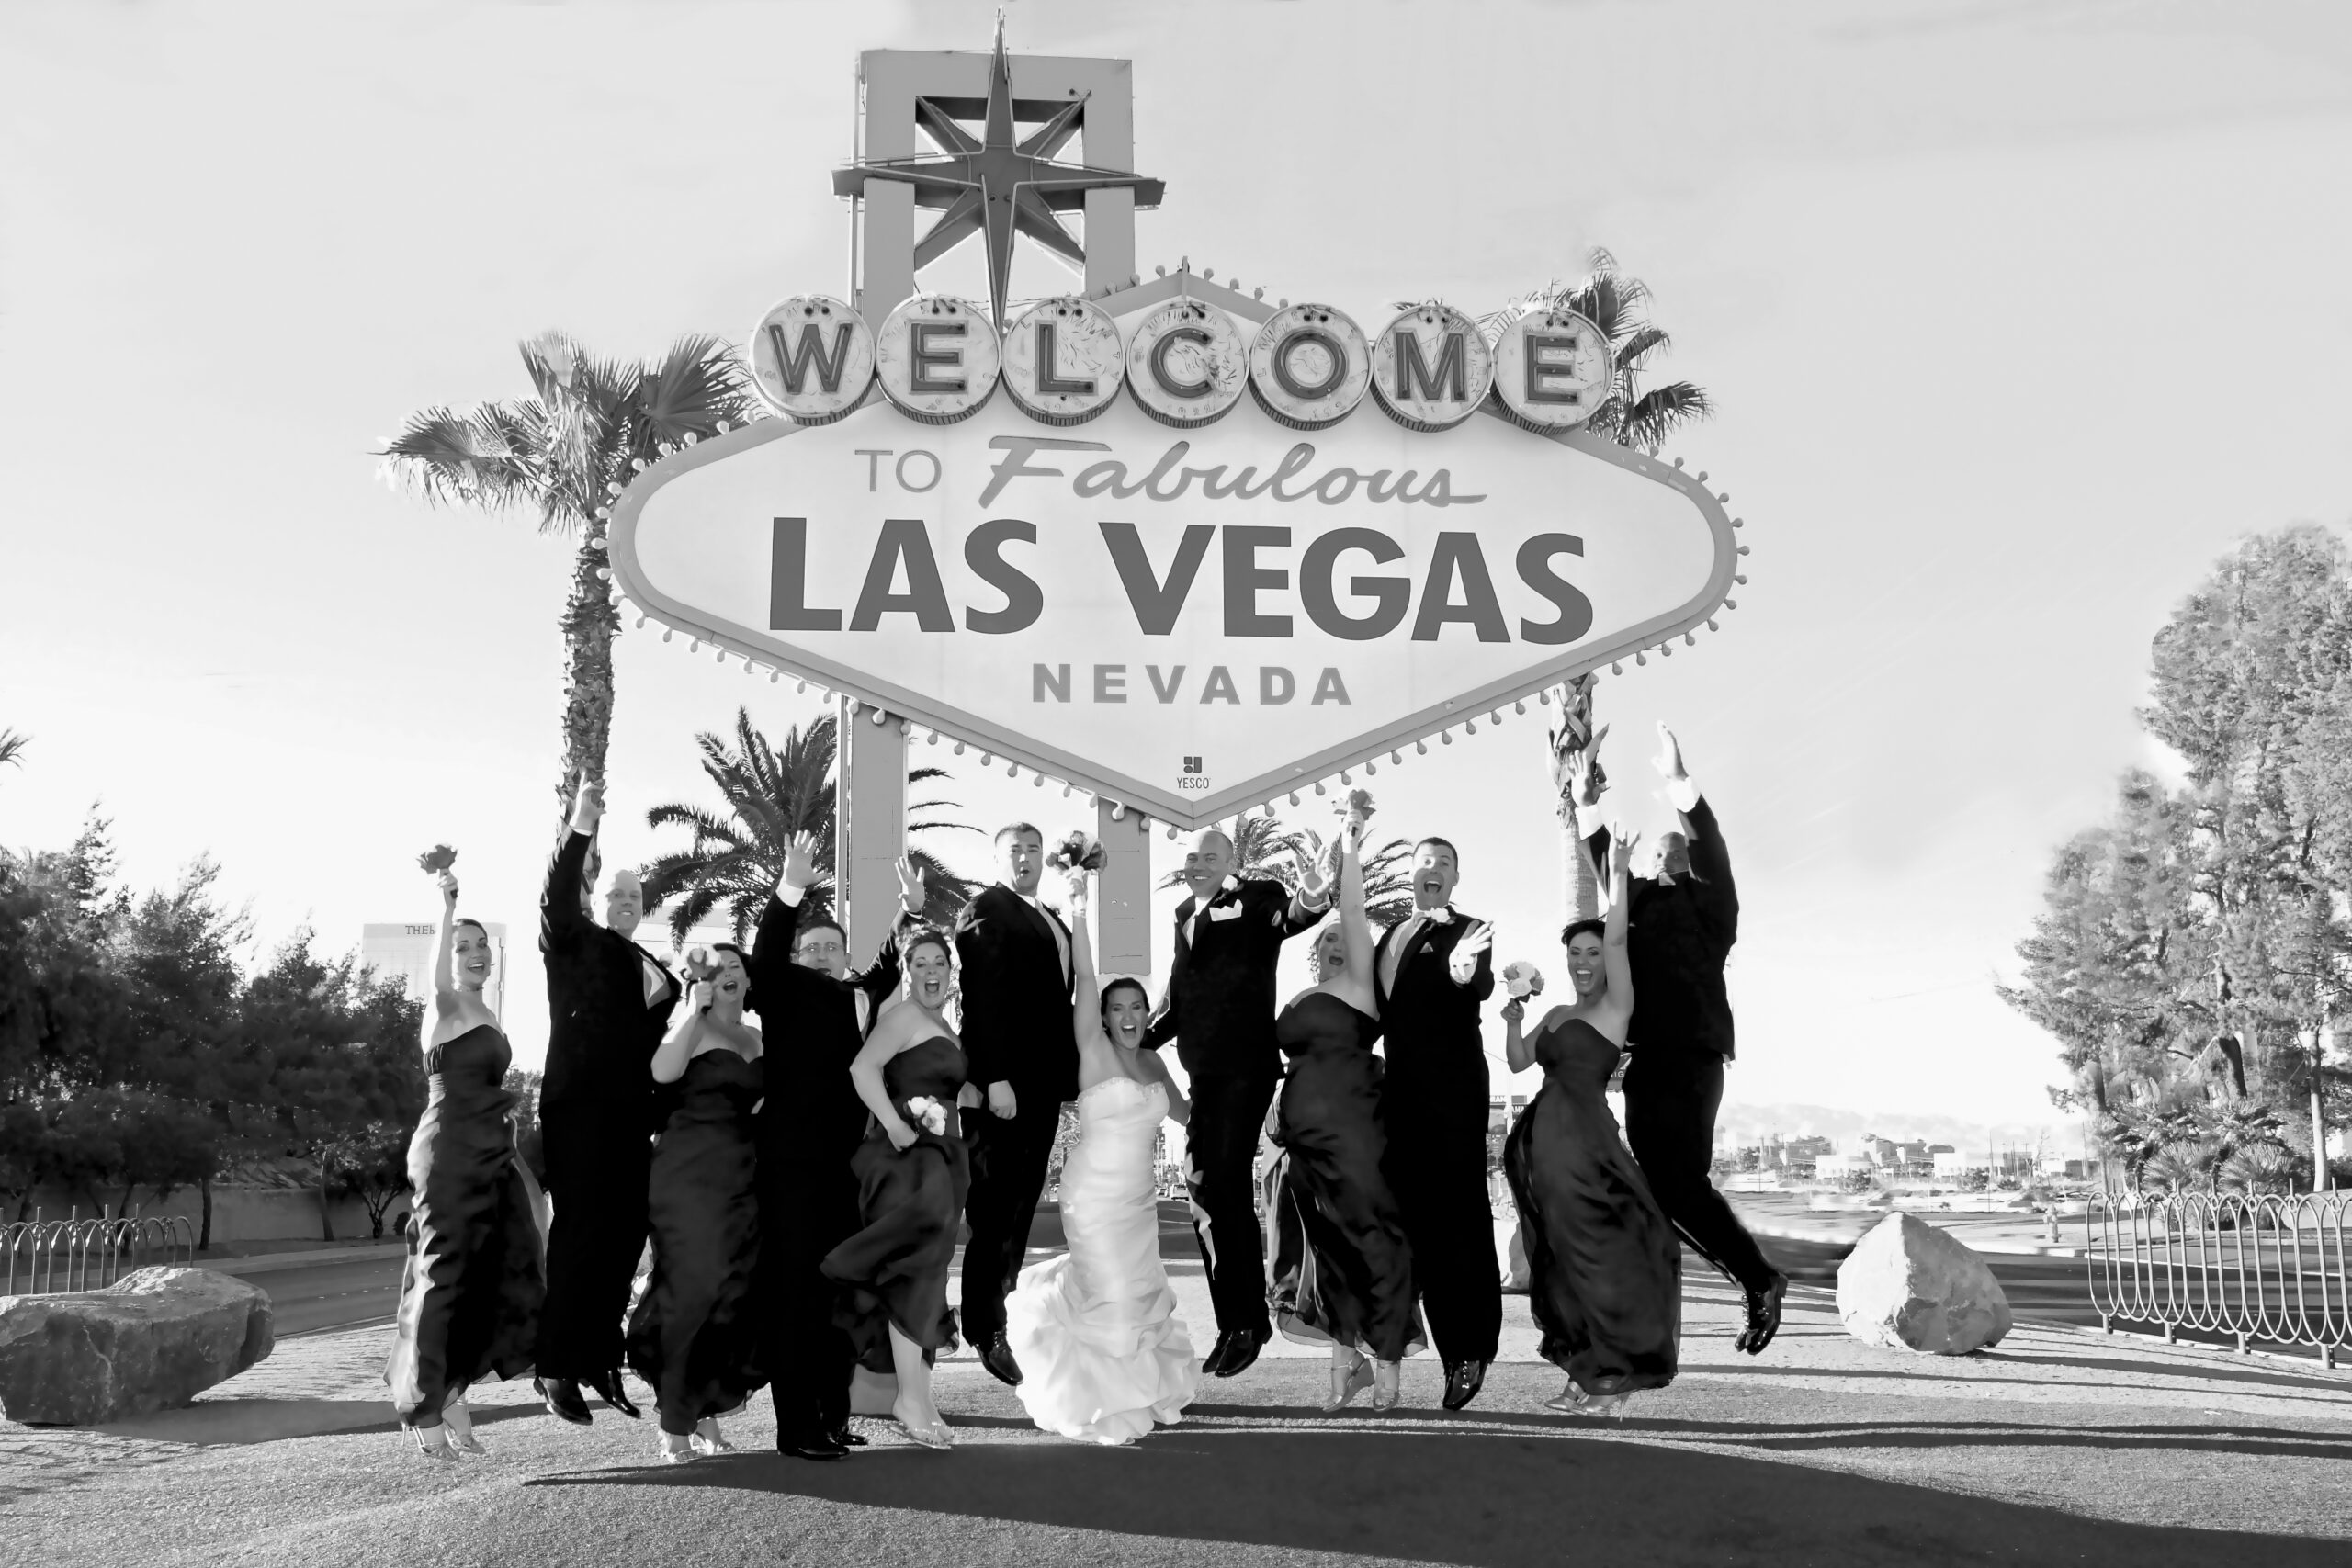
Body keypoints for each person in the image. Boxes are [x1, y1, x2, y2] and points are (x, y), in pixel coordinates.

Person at [1574, 725, 1789, 1353]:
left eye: (1676, 852)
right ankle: (1749, 1280)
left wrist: (1678, 786)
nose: (1665, 857)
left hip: (1694, 1060)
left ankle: (1758, 1278)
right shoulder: (1633, 903)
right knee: (1662, 1189)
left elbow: (1712, 847)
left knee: (1681, 1183)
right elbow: (1599, 861)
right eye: (1655, 854)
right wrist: (1588, 800)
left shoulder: (1713, 908)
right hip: (1644, 1063)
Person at [1003, 864, 1198, 1445]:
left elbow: (1191, 1117)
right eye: (1118, 1009)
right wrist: (1079, 905)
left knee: (1138, 1291)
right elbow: (1085, 977)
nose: (1129, 1016)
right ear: (1106, 1018)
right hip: (1093, 1197)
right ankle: (1108, 1404)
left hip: (1139, 1202)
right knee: (1111, 1288)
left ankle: (1139, 1391)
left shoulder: (1155, 1065)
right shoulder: (1093, 1050)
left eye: (1138, 1006)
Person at [746, 833, 923, 1462]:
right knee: (795, 1295)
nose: (821, 953)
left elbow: (887, 963)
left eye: (832, 946)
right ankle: (795, 1428)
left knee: (835, 1296)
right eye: (811, 946)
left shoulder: (858, 995)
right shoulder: (780, 986)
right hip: (790, 1169)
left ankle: (832, 1414)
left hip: (844, 1172)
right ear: (799, 954)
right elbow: (764, 954)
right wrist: (789, 887)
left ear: (844, 953)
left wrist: (911, 908)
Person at [1504, 827, 1682, 1416]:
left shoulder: (1615, 1006)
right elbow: (1519, 1059)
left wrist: (1619, 872)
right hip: (1544, 1153)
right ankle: (1587, 1375)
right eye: (1574, 955)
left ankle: (1611, 1379)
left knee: (1597, 1263)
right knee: (1560, 1265)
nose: (1584, 962)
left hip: (1586, 1149)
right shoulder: (1556, 1011)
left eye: (1591, 953)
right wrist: (1511, 1018)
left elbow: (1617, 942)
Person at [1143, 825, 1329, 1379]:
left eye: (1210, 856)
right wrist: (1125, 1036)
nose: (1199, 864)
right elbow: (1177, 1001)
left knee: (1218, 1184)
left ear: (1230, 861)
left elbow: (1292, 917)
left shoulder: (1256, 898)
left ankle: (1248, 1323)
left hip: (1246, 1070)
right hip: (1204, 1076)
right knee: (1202, 1190)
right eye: (1191, 857)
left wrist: (1312, 895)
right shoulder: (1182, 915)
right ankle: (1237, 1321)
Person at [536, 773, 681, 1424]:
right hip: (579, 1111)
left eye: (635, 895)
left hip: (632, 1119)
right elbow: (555, 894)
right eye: (615, 891)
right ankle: (556, 1365)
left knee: (624, 1236)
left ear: (644, 906)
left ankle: (599, 1355)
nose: (625, 900)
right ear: (599, 899)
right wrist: (581, 825)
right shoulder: (575, 943)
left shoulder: (658, 972)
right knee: (580, 1234)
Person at [385, 868, 544, 1459]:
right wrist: (446, 906)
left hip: (489, 1155)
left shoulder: (487, 1014)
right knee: (443, 1275)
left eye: (482, 947)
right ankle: (423, 1406)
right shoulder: (444, 1005)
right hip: (448, 1153)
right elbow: (433, 976)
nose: (476, 955)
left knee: (494, 1269)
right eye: (462, 947)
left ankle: (451, 1389)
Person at [1269, 807, 1419, 1413]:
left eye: (1342, 938)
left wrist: (1349, 845)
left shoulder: (1361, 990)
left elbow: (1353, 911)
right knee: (1323, 1250)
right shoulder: (1302, 998)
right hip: (1303, 1144)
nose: (1334, 940)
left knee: (1373, 1244)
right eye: (1324, 937)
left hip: (1358, 1137)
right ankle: (1343, 1366)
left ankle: (1385, 1366)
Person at [821, 930, 976, 1449]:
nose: (931, 970)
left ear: (950, 974)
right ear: (908, 972)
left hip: (943, 1164)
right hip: (911, 1165)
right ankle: (909, 1398)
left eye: (940, 962)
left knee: (927, 1280)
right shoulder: (905, 1016)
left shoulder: (941, 1024)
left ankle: (920, 1394)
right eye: (921, 962)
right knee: (914, 1277)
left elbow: (947, 1084)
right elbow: (862, 1068)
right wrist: (892, 1124)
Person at [1373, 836, 1499, 1412]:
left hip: (1454, 1098)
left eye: (1444, 863)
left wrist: (1462, 969)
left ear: (1455, 878)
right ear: (1411, 874)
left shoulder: (1470, 929)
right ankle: (1444, 1349)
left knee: (1462, 1221)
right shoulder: (1389, 937)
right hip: (1400, 1101)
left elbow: (1477, 982)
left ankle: (1469, 1352)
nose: (1433, 869)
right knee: (1418, 1232)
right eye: (1425, 861)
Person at [627, 944, 765, 1463]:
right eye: (718, 968)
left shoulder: (755, 1038)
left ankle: (703, 1409)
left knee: (727, 1295)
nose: (728, 974)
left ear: (749, 980)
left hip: (741, 1180)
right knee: (693, 1290)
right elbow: (663, 1072)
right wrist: (692, 1006)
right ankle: (675, 1423)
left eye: (737, 968)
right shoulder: (693, 1025)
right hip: (687, 1178)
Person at [953, 823, 1080, 1388]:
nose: (1025, 858)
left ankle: (999, 1315)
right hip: (1002, 1089)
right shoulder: (987, 908)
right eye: (1015, 851)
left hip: (1043, 1088)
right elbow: (982, 998)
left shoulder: (1049, 915)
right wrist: (994, 1077)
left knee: (1020, 1210)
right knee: (993, 1212)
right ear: (997, 858)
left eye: (1033, 849)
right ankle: (984, 1326)